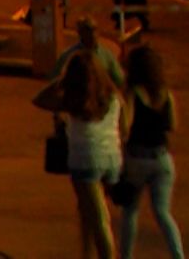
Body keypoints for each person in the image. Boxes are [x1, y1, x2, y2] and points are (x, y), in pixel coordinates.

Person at [34, 50, 128, 259]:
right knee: (87, 211)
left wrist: (61, 81)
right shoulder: (114, 99)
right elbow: (125, 128)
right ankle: (86, 254)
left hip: (86, 161)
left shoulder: (74, 101)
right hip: (112, 159)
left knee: (100, 220)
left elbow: (39, 99)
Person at [116, 46, 185, 258]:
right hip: (162, 158)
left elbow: (125, 126)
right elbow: (172, 125)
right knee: (163, 213)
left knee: (130, 212)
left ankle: (126, 256)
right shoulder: (165, 94)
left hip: (137, 158)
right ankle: (178, 255)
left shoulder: (134, 93)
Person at [55, 17, 127, 91]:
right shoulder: (68, 55)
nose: (92, 34)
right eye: (88, 30)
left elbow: (120, 79)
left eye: (94, 30)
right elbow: (56, 80)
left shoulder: (106, 55)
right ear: (80, 33)